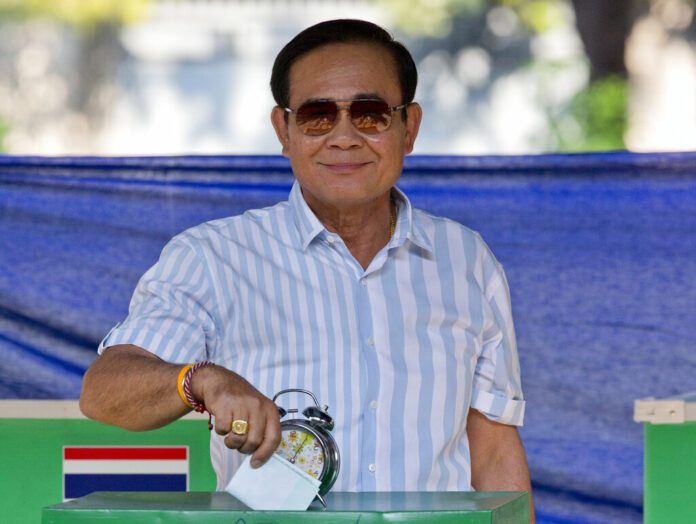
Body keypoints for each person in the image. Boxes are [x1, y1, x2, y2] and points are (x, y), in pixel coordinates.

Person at [80, 18, 534, 519]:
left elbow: (493, 451)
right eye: (318, 116)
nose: (344, 137)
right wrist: (202, 380)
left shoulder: (468, 261)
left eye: (370, 114)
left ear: (409, 127)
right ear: (285, 130)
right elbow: (105, 392)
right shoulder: (213, 257)